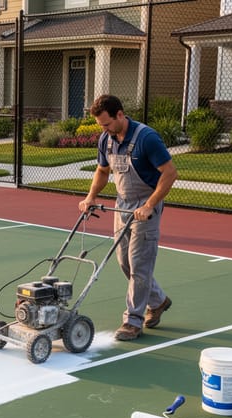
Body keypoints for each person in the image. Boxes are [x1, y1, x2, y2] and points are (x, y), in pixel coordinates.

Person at [78, 94, 178, 341]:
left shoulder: (147, 138)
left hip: (146, 207)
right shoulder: (107, 140)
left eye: (106, 124)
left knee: (139, 264)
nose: (104, 129)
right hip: (122, 205)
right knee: (125, 262)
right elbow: (102, 171)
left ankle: (133, 321)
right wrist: (90, 197)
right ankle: (158, 301)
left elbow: (170, 173)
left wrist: (149, 205)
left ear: (120, 115)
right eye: (101, 125)